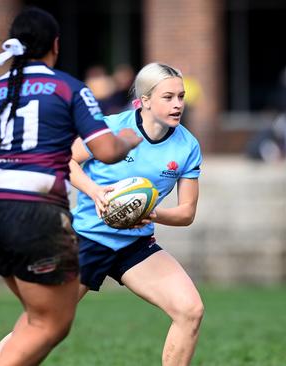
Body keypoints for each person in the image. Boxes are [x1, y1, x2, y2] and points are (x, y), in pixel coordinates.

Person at [0, 7, 141, 365]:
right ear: (55, 45)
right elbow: (106, 151)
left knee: (37, 319)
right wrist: (128, 137)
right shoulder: (68, 88)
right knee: (51, 324)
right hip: (37, 216)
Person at [70, 63, 204, 365]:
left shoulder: (187, 146)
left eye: (181, 96)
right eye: (168, 97)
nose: (178, 104)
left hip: (134, 245)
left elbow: (186, 213)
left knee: (190, 310)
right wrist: (94, 192)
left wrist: (151, 214)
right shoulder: (111, 127)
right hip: (87, 239)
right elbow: (67, 161)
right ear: (144, 100)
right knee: (45, 324)